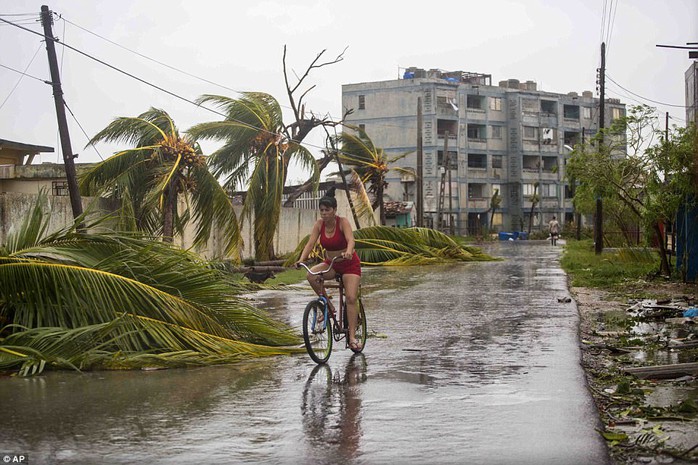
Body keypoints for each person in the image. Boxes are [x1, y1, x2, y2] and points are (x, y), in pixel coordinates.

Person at [295, 187, 363, 351]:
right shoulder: (319, 224)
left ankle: (352, 337)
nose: (324, 213)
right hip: (331, 263)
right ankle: (329, 306)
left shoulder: (343, 222)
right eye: (322, 210)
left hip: (349, 264)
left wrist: (348, 251)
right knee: (311, 276)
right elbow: (310, 243)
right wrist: (301, 259)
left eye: (327, 210)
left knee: (351, 298)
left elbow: (351, 240)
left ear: (334, 210)